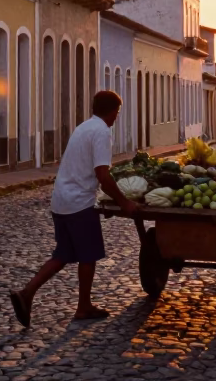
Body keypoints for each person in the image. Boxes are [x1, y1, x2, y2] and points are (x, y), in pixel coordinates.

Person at [10, 90, 137, 327]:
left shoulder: (84, 127)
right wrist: (124, 202)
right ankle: (83, 307)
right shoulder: (101, 132)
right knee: (88, 256)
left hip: (61, 200)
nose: (116, 118)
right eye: (117, 113)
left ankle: (27, 293)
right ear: (111, 112)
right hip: (79, 203)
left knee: (63, 254)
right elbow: (102, 174)